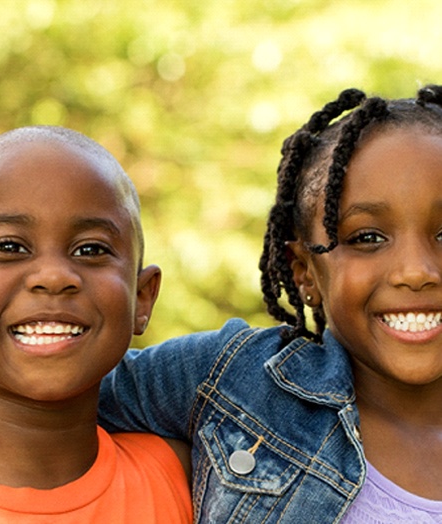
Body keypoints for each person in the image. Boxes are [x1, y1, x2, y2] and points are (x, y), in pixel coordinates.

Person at [98, 85, 442, 523]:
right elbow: (55, 397)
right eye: (367, 238)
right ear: (304, 272)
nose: (416, 271)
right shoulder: (235, 381)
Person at [0, 126, 192, 523]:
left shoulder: (182, 476)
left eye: (91, 249)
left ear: (141, 298)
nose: (54, 276)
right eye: (9, 247)